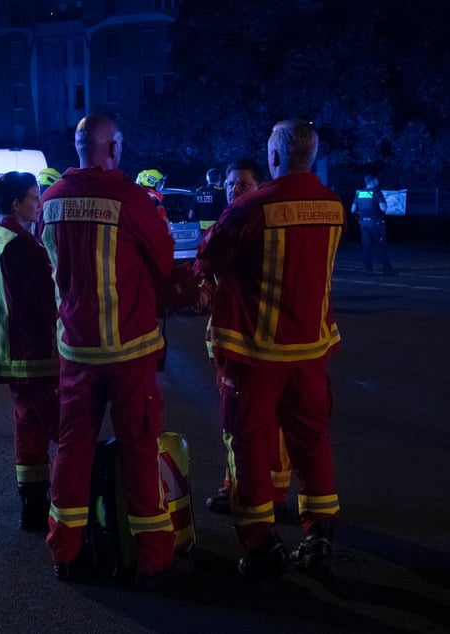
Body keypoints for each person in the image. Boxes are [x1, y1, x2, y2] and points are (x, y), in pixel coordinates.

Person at [196, 119, 344, 583]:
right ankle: (319, 537)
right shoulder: (333, 206)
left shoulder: (252, 207)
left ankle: (260, 544)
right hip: (311, 350)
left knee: (250, 444)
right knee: (312, 442)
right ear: (312, 158)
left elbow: (209, 257)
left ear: (275, 157)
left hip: (256, 354)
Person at [41, 114, 176, 588]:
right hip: (129, 348)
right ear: (113, 147)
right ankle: (154, 560)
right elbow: (162, 260)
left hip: (76, 350)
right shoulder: (129, 198)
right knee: (139, 449)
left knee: (73, 448)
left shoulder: (51, 200)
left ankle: (65, 551)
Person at [196, 159, 294, 522]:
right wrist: (201, 286)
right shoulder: (227, 222)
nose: (234, 190)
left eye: (243, 184)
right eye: (230, 183)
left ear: (260, 186)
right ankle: (236, 483)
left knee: (263, 419)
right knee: (234, 420)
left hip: (254, 339)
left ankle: (272, 489)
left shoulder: (258, 224)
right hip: (227, 336)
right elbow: (203, 268)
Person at [0, 171, 60, 533]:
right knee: (64, 428)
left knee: (29, 430)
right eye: (34, 197)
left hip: (15, 352)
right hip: (33, 352)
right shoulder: (21, 244)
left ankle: (33, 508)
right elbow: (43, 300)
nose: (39, 203)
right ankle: (69, 508)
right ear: (16, 204)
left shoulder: (3, 236)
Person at [352, 174, 395, 275]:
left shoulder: (360, 193)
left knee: (366, 247)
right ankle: (387, 269)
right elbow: (383, 208)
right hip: (376, 224)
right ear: (371, 181)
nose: (378, 181)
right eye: (376, 180)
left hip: (363, 224)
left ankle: (368, 269)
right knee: (381, 246)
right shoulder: (377, 192)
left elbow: (353, 209)